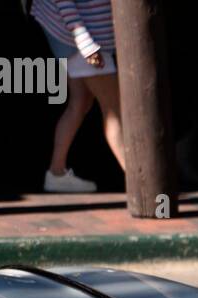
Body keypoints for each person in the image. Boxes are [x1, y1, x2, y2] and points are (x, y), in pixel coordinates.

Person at [32, 0, 124, 192]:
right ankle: (141, 180)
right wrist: (85, 42)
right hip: (82, 37)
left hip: (81, 35)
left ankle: (56, 173)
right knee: (115, 111)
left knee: (80, 102)